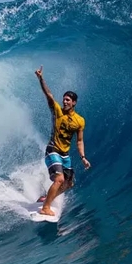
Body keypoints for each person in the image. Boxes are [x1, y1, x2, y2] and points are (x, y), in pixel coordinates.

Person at [34, 65, 91, 216]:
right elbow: (49, 95)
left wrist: (83, 157)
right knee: (59, 179)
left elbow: (79, 141)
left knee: (69, 183)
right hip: (52, 149)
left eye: (68, 100)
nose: (64, 102)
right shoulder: (57, 111)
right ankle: (45, 207)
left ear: (74, 103)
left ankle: (47, 197)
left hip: (65, 154)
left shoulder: (80, 121)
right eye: (64, 99)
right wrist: (41, 79)